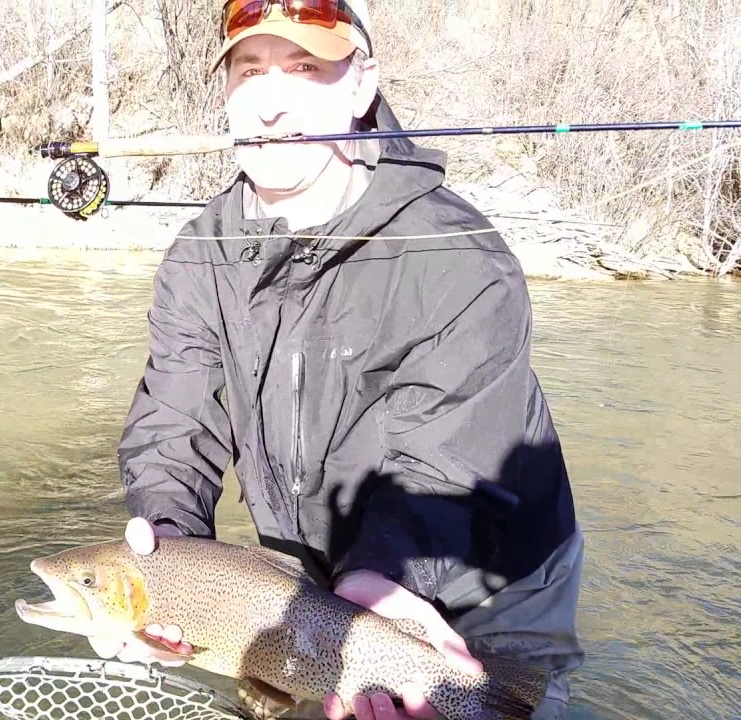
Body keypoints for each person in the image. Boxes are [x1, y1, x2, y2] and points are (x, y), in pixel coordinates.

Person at [90, 2, 585, 719]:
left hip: (493, 568)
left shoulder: (459, 259)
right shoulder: (199, 256)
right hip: (319, 579)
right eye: (249, 71)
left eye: (306, 69)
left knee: (498, 704)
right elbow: (174, 420)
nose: (269, 102)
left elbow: (445, 467)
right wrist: (166, 549)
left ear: (361, 88)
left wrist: (381, 581)